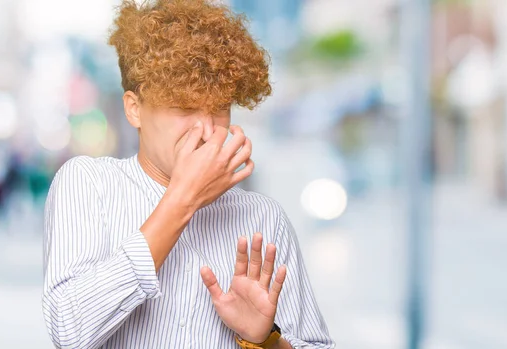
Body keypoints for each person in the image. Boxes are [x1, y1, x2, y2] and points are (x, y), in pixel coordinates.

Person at [42, 0, 334, 348]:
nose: (206, 129)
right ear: (134, 109)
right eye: (184, 107)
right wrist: (183, 198)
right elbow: (68, 332)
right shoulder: (89, 184)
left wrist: (264, 340)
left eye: (220, 109)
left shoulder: (264, 218)